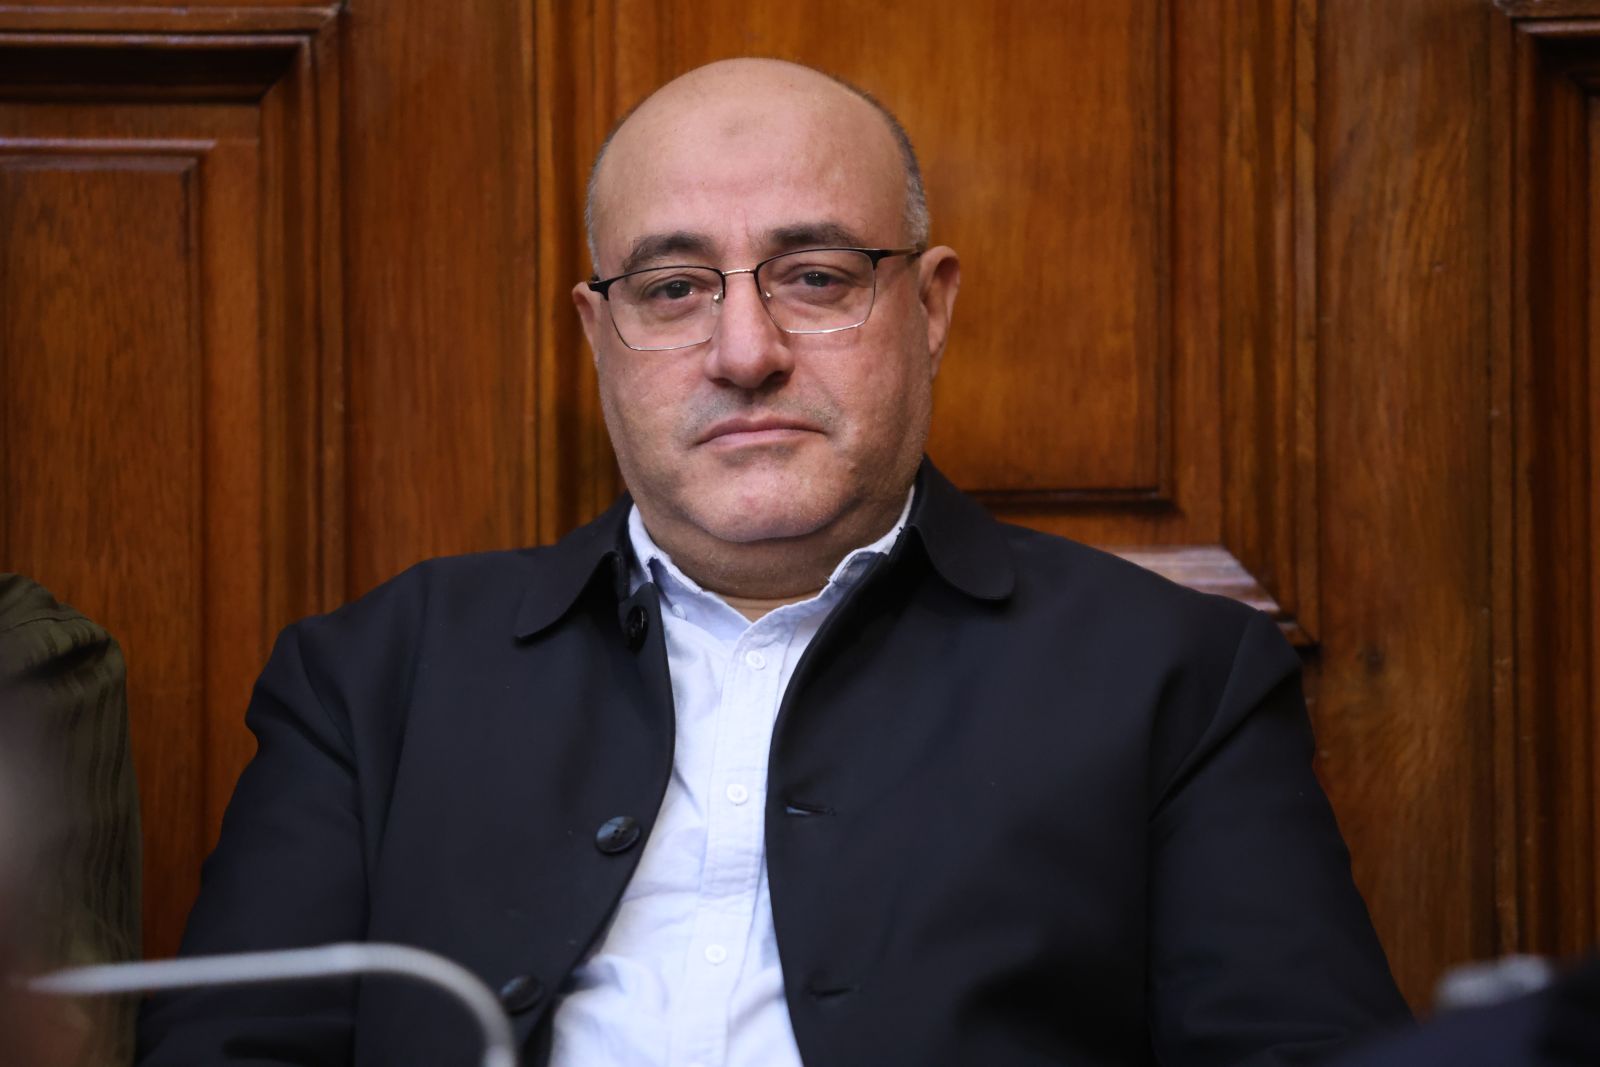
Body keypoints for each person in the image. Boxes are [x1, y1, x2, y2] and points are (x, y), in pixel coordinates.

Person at [138, 59, 1409, 1066]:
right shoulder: (372, 681)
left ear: (930, 306)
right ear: (598, 331)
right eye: (672, 288)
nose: (745, 351)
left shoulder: (1175, 677)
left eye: (814, 276)